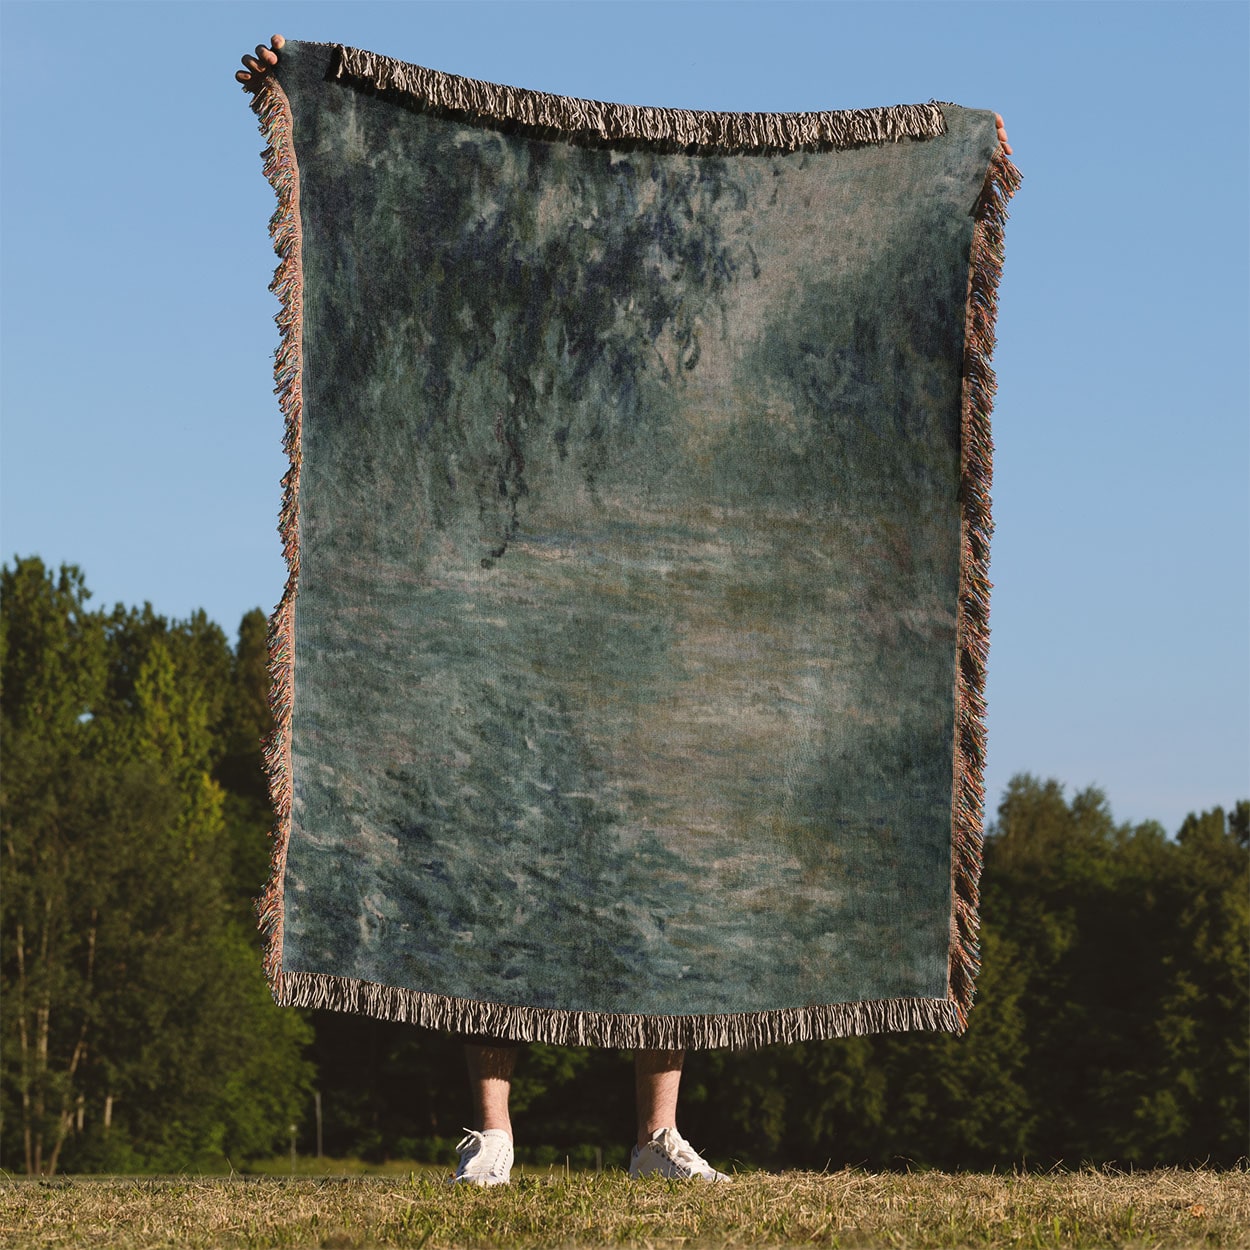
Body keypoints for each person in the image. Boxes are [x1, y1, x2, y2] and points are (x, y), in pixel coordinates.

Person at [236, 35, 1013, 1186]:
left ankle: (655, 1133)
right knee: (488, 866)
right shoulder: (498, 309)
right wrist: (300, 76)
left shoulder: (670, 348)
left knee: (659, 879)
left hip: (645, 630)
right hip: (513, 606)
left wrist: (958, 157)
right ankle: (492, 1130)